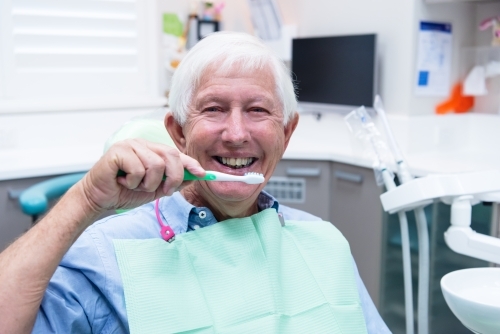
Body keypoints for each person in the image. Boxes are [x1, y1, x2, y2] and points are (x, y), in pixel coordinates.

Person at [0, 32, 390, 333]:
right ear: (178, 133)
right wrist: (83, 201)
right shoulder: (109, 255)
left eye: (257, 110)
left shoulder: (322, 243)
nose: (236, 133)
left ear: (286, 134)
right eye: (214, 109)